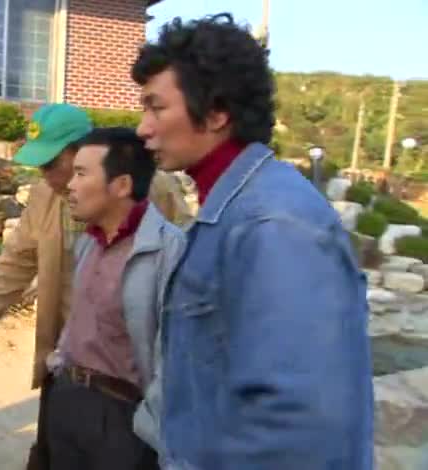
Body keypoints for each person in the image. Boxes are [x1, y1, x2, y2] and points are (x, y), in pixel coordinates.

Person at [133, 14, 373, 470]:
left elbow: (296, 421)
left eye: (156, 108)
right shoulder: (231, 208)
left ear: (217, 113)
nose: (143, 127)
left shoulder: (273, 223)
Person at [0, 103, 191, 469]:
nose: (45, 175)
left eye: (51, 164)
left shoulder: (154, 189)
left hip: (129, 384)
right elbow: (16, 259)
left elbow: (188, 263)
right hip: (66, 368)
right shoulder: (45, 198)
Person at [44, 127, 184, 470]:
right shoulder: (88, 242)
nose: (70, 185)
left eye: (81, 174)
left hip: (122, 418)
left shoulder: (169, 250)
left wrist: (152, 424)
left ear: (121, 185)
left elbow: (176, 355)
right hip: (66, 400)